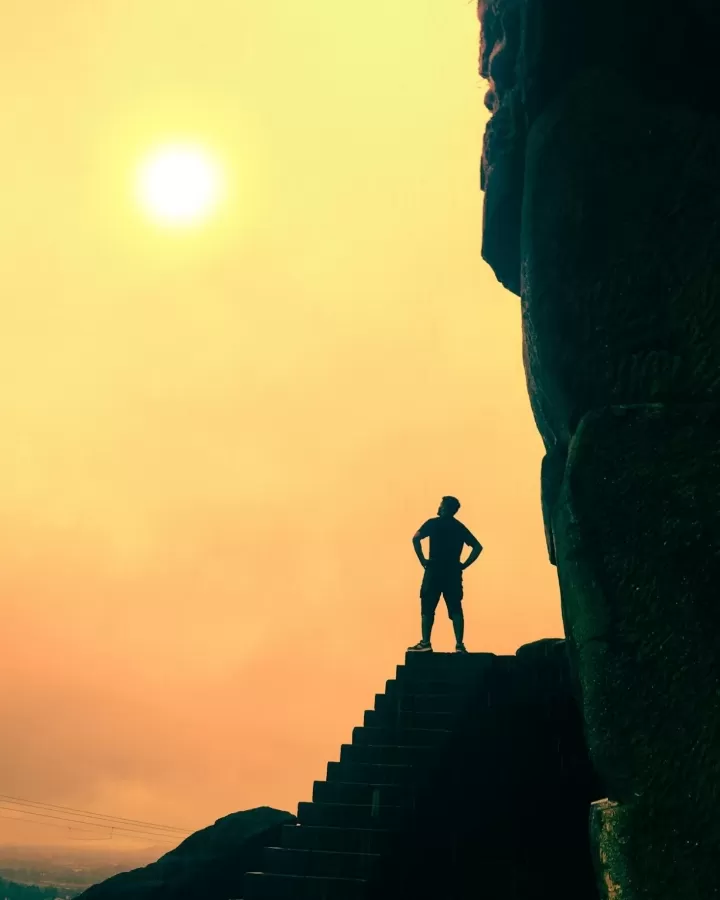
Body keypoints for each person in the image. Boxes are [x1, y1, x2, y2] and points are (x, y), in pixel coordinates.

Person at [408, 496, 483, 654]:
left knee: (427, 606)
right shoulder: (459, 527)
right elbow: (477, 547)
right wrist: (464, 565)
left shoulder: (433, 523)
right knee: (456, 607)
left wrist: (423, 560)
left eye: (441, 505)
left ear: (444, 508)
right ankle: (459, 645)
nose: (439, 507)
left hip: (434, 569)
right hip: (453, 571)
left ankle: (425, 642)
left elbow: (415, 538)